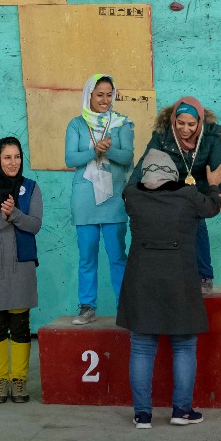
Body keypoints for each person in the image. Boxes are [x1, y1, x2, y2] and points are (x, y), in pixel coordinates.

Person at [118, 149, 221, 429]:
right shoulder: (188, 195)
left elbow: (132, 183)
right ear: (173, 175)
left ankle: (142, 415)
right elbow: (213, 207)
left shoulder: (132, 196)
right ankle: (181, 410)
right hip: (180, 279)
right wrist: (213, 184)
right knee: (184, 345)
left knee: (141, 347)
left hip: (142, 279)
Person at [131, 96, 221, 293]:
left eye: (191, 124)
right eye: (181, 123)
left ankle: (204, 276)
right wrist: (130, 190)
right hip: (169, 191)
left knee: (198, 223)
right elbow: (145, 163)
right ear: (173, 120)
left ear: (199, 122)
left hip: (197, 192)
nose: (185, 129)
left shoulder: (210, 137)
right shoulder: (162, 135)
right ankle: (170, 276)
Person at [0, 137, 43, 404]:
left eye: (17, 157)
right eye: (7, 157)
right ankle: (0, 381)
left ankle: (19, 380)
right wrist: (2, 218)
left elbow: (35, 225)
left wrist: (15, 214)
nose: (13, 163)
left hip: (22, 267)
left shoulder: (31, 188)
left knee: (21, 326)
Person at [64, 73, 133, 325]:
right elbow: (70, 159)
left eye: (109, 95)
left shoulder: (122, 123)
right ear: (89, 95)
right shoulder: (76, 124)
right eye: (99, 95)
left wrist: (108, 150)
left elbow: (127, 157)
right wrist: (94, 150)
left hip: (114, 198)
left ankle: (125, 308)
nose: (105, 100)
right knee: (87, 256)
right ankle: (87, 307)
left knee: (117, 256)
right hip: (85, 199)